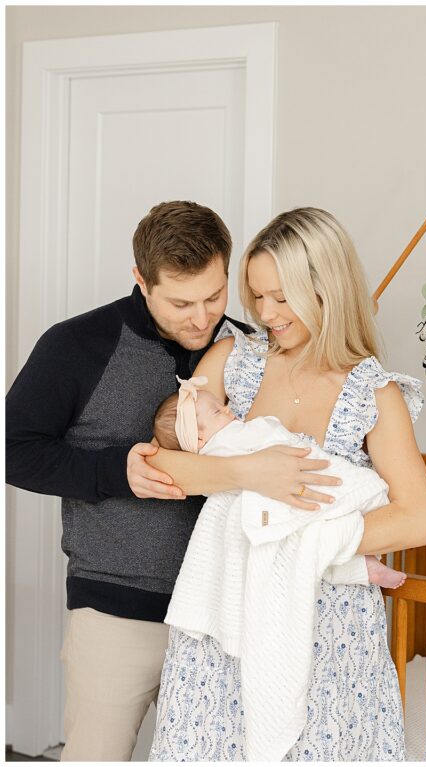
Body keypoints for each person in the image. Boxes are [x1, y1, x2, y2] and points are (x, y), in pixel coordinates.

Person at [3, 201, 332, 760]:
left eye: (215, 296)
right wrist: (113, 471)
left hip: (227, 615)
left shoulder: (247, 349)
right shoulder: (76, 346)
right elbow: (13, 450)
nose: (202, 319)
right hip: (117, 613)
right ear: (141, 280)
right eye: (181, 303)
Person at [144, 207, 426, 761]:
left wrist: (303, 539)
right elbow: (166, 459)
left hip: (330, 625)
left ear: (328, 290)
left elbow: (419, 520)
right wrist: (252, 473)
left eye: (282, 297)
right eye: (256, 296)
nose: (265, 312)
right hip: (231, 612)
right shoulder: (234, 361)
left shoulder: (375, 394)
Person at [151, 379, 406, 587]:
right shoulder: (224, 442)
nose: (229, 409)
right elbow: (268, 435)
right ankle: (361, 563)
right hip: (274, 502)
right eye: (218, 411)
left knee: (307, 539)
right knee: (318, 523)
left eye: (223, 405)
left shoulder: (207, 458)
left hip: (270, 509)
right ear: (197, 440)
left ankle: (360, 568)